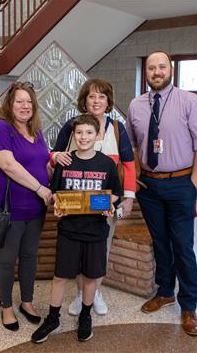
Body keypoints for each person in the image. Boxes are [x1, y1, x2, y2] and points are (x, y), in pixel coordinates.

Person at [125, 50, 197, 336]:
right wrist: (137, 176)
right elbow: (133, 146)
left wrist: (192, 184)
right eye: (151, 68)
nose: (157, 72)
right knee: (160, 242)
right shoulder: (136, 105)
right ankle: (165, 291)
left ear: (170, 70)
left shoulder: (190, 102)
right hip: (149, 187)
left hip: (180, 184)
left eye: (162, 67)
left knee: (182, 246)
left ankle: (189, 304)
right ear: (146, 72)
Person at [31, 114, 122, 344]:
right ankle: (53, 318)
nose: (84, 137)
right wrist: (57, 207)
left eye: (89, 132)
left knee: (91, 276)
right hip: (69, 231)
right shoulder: (65, 162)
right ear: (73, 135)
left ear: (97, 135)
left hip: (96, 232)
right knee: (60, 277)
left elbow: (115, 194)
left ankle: (85, 316)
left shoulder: (106, 164)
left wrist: (108, 205)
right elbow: (57, 194)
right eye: (79, 132)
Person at [50, 79, 136, 316]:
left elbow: (128, 166)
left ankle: (95, 292)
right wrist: (56, 157)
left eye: (101, 97)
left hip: (103, 205)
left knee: (101, 250)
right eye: (91, 96)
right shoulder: (71, 126)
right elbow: (53, 156)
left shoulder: (117, 129)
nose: (96, 101)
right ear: (84, 101)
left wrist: (128, 198)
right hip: (74, 205)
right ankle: (80, 294)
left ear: (108, 101)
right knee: (77, 251)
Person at [0, 82, 53, 331]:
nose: (25, 106)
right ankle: (6, 307)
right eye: (19, 101)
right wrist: (40, 188)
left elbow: (42, 163)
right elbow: (8, 165)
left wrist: (54, 175)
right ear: (10, 105)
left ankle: (27, 301)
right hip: (10, 209)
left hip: (36, 208)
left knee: (29, 256)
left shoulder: (37, 131)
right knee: (6, 258)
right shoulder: (0, 128)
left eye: (29, 102)